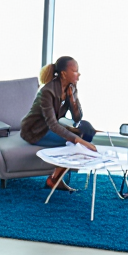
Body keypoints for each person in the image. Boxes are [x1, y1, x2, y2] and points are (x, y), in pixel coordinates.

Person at [20, 56, 98, 191]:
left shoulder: (71, 88)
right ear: (64, 74)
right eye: (75, 71)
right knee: (75, 142)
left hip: (50, 128)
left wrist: (72, 100)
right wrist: (79, 140)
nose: (79, 74)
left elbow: (78, 118)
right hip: (35, 131)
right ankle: (54, 179)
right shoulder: (47, 91)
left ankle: (55, 178)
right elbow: (53, 124)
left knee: (87, 131)